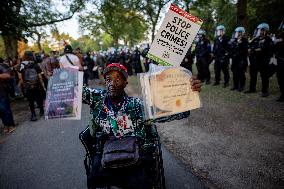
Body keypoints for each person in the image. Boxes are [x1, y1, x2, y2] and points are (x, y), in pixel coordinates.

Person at [83, 63, 201, 188]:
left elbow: (176, 113)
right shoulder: (97, 99)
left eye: (118, 78)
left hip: (136, 155)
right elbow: (72, 89)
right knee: (94, 179)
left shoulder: (137, 105)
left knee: (141, 181)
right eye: (108, 79)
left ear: (125, 83)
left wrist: (187, 90)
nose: (112, 83)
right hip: (106, 154)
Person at [245, 23, 274, 97]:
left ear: (265, 30)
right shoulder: (256, 39)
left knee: (264, 76)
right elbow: (250, 45)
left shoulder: (268, 40)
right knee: (253, 75)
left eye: (261, 30)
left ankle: (265, 91)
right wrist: (249, 48)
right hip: (255, 60)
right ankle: (252, 89)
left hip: (263, 60)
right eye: (259, 30)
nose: (259, 32)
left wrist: (254, 50)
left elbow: (264, 49)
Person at [18, 51, 45, 121]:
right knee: (39, 97)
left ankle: (33, 115)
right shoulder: (35, 64)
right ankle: (41, 111)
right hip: (36, 84)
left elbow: (20, 78)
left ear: (24, 56)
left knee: (30, 100)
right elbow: (39, 76)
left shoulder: (21, 65)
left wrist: (22, 85)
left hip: (27, 85)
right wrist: (42, 85)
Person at [230, 27, 249, 92]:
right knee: (235, 73)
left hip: (241, 59)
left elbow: (245, 50)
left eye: (239, 32)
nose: (237, 34)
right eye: (237, 32)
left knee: (241, 73)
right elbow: (232, 49)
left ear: (241, 33)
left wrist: (240, 44)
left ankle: (241, 86)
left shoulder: (245, 40)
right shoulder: (235, 40)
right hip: (235, 59)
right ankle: (235, 85)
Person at [0, 59, 16, 134]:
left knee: (5, 108)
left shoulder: (1, 66)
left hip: (1, 91)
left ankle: (11, 125)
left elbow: (8, 75)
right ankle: (6, 125)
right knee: (1, 111)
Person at [274, 29, 284, 102]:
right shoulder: (280, 36)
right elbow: (275, 50)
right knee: (279, 77)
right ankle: (282, 94)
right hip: (280, 61)